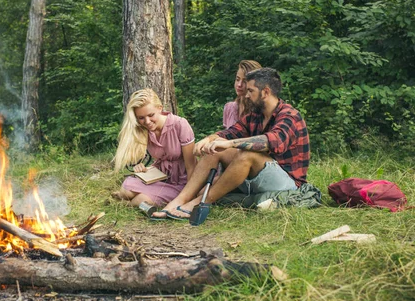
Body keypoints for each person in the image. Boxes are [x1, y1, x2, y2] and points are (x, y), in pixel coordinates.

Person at [153, 68, 310, 219]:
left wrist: (230, 144)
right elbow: (230, 132)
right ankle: (180, 200)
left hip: (288, 183)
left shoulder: (290, 116)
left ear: (266, 92)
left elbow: (273, 141)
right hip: (261, 177)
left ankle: (199, 203)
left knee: (247, 154)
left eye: (251, 91)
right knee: (214, 148)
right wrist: (210, 139)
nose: (246, 95)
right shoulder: (255, 116)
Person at [112, 88, 197, 208]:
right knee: (126, 189)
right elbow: (144, 161)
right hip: (159, 177)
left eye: (151, 115)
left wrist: (189, 195)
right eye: (141, 118)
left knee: (141, 199)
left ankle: (126, 204)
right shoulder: (143, 130)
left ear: (160, 108)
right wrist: (141, 167)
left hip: (182, 182)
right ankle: (127, 197)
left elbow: (191, 166)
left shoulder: (180, 125)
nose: (147, 121)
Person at [223, 60, 262, 129]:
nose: (239, 85)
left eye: (244, 81)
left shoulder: (262, 109)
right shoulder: (229, 108)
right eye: (237, 79)